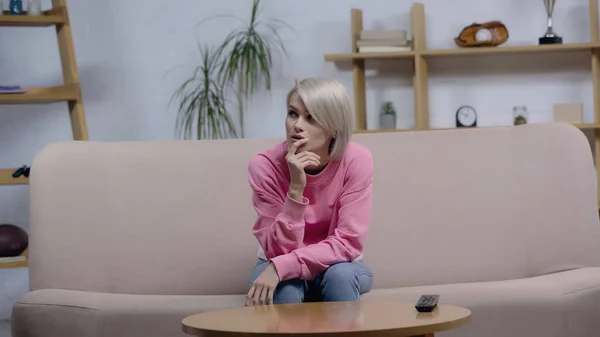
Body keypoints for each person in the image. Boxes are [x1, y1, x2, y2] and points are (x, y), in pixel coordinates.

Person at [245, 77, 374, 306]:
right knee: (286, 288)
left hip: (338, 264)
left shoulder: (356, 160)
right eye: (293, 113)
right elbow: (277, 251)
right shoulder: (264, 166)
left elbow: (347, 243)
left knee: (340, 278)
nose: (297, 125)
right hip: (277, 260)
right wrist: (296, 189)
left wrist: (282, 266)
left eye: (311, 118)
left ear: (334, 127)